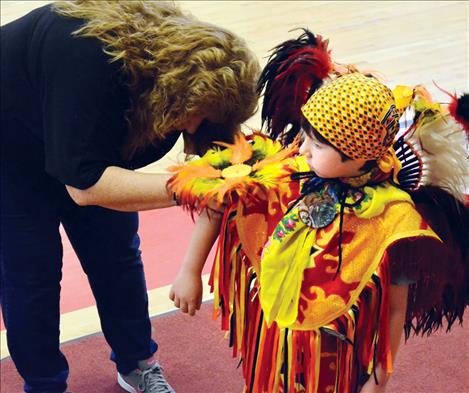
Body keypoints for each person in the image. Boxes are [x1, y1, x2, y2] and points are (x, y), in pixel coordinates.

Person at [169, 31, 468, 392]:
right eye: (306, 136)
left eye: (319, 143)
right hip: (275, 345)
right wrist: (190, 270)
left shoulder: (395, 223)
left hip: (336, 362)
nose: (304, 149)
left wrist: (380, 377)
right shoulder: (288, 171)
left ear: (358, 155)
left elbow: (394, 311)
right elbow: (220, 201)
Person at [0, 1, 261, 392]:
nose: (199, 129)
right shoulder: (89, 60)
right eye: (202, 119)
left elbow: (215, 152)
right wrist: (191, 187)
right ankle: (44, 385)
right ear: (181, 98)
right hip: (11, 144)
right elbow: (85, 187)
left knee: (116, 254)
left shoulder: (183, 77)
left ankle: (137, 362)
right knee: (31, 272)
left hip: (84, 135)